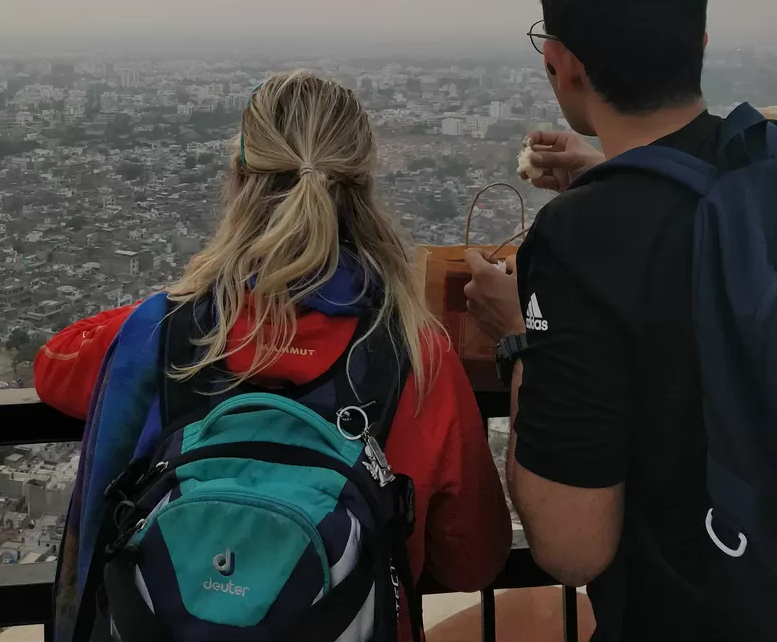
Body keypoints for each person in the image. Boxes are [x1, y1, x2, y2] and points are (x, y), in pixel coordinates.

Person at [38, 70, 511, 641]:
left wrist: (177, 301)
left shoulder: (164, 337)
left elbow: (53, 366)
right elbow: (474, 560)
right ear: (361, 189)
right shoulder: (414, 354)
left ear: (238, 180)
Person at [465, 0, 737, 642]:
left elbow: (571, 546)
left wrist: (518, 337)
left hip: (693, 608)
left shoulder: (580, 237)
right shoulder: (760, 165)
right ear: (699, 46)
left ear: (563, 62)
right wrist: (621, 173)